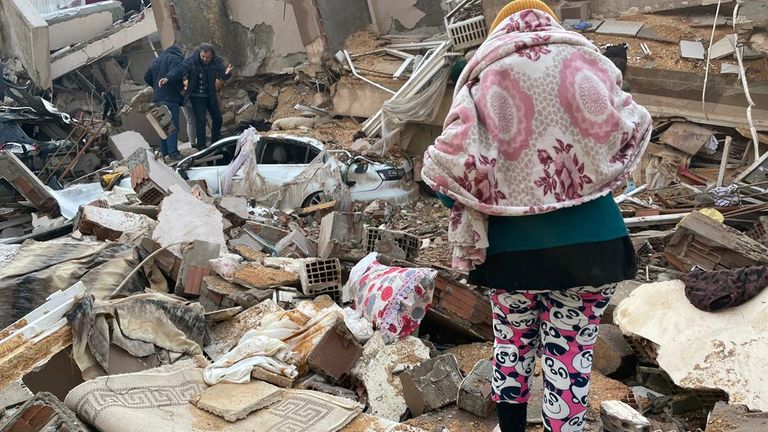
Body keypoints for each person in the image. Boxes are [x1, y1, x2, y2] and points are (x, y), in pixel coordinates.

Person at [421, 2, 652, 432]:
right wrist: (589, 178)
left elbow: (444, 171)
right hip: (594, 246)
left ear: (500, 28)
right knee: (570, 364)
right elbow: (633, 125)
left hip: (512, 253)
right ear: (549, 21)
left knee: (512, 347)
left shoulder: (486, 71)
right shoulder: (585, 59)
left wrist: (480, 202)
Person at [159, 43, 233, 150]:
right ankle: (201, 145)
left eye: (208, 57)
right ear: (199, 53)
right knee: (201, 120)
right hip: (196, 96)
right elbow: (180, 70)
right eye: (203, 57)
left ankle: (215, 140)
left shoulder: (216, 61)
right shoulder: (192, 61)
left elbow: (223, 74)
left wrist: (227, 73)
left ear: (212, 55)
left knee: (217, 118)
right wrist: (168, 78)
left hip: (210, 94)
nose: (205, 59)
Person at [144, 45, 184, 160]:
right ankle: (173, 153)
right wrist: (180, 88)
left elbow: (146, 77)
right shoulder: (176, 58)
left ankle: (165, 152)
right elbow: (175, 74)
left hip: (158, 98)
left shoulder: (157, 60)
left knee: (163, 125)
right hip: (170, 96)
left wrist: (157, 86)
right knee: (172, 125)